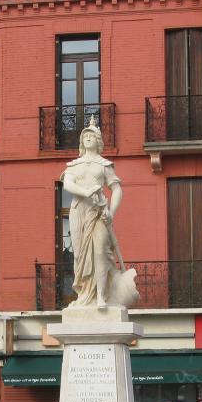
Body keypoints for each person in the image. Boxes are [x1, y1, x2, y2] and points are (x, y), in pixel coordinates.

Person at [61, 117, 132, 309]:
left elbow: (117, 189)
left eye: (92, 135)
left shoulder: (104, 165)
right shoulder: (74, 165)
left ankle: (100, 296)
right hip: (79, 212)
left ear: (98, 141)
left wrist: (111, 212)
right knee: (80, 255)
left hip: (99, 212)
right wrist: (86, 192)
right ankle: (84, 294)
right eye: (85, 135)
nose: (88, 138)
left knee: (100, 252)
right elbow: (67, 184)